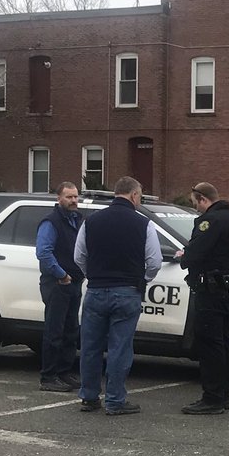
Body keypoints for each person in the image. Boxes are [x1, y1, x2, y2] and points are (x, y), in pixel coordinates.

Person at [73, 176, 161, 416]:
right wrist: (143, 279)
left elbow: (79, 256)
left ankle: (89, 397)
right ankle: (115, 400)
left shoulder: (91, 221)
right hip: (127, 290)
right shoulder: (144, 224)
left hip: (96, 290)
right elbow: (154, 261)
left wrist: (93, 275)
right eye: (140, 196)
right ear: (133, 195)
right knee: (120, 347)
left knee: (90, 346)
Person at [176, 182, 229, 415]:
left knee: (209, 345)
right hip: (227, 289)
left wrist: (184, 257)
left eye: (195, 203)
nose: (196, 208)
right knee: (224, 343)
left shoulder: (211, 221)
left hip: (210, 290)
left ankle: (212, 398)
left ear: (203, 199)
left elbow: (195, 253)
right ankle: (223, 395)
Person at [34, 182, 84, 392]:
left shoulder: (78, 220)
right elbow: (43, 252)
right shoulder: (51, 222)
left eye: (75, 197)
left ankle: (64, 372)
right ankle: (48, 377)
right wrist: (61, 275)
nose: (73, 201)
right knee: (55, 330)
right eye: (69, 197)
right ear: (59, 199)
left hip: (74, 282)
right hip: (57, 282)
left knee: (71, 330)